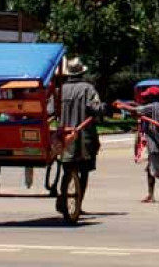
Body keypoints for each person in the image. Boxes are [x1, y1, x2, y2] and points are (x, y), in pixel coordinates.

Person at [57, 57, 104, 212]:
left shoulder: (60, 90)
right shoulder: (88, 89)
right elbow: (96, 108)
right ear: (82, 73)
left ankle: (65, 197)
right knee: (83, 172)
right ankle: (77, 204)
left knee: (67, 170)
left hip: (64, 137)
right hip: (84, 137)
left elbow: (50, 110)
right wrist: (103, 108)